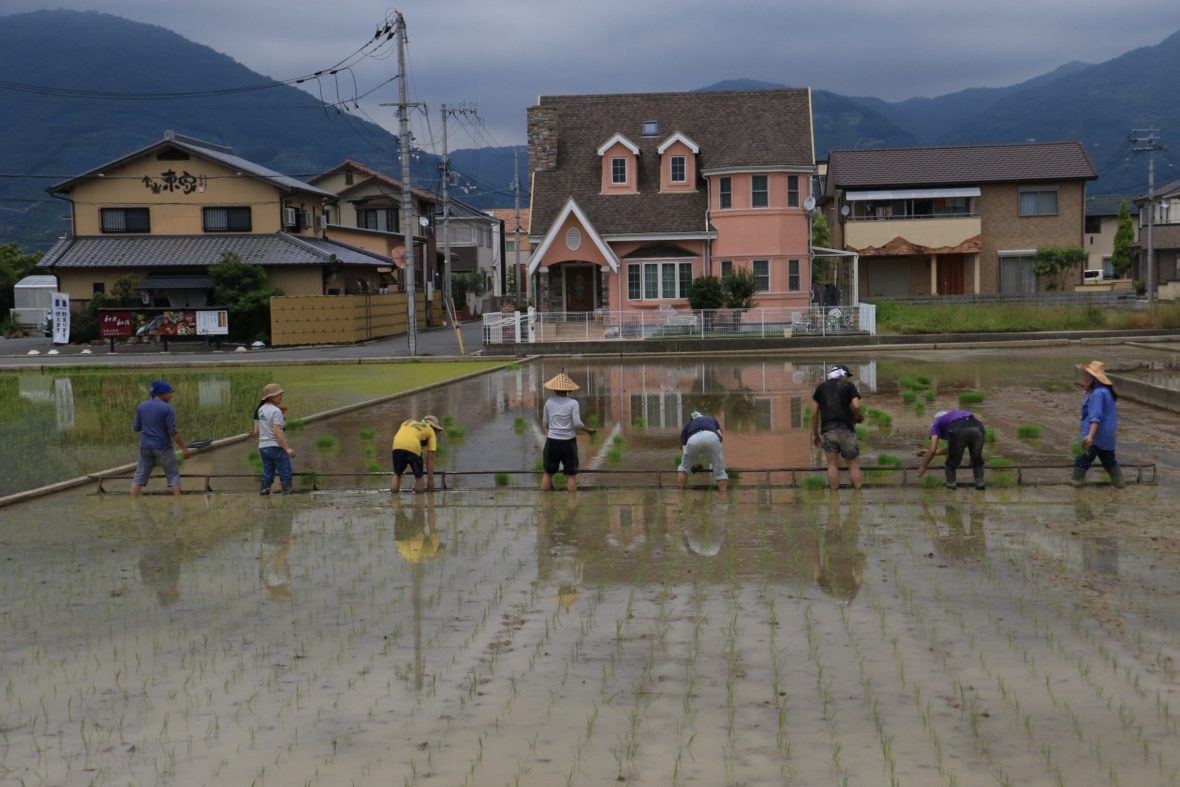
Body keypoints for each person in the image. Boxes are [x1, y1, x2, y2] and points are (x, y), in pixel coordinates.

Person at [131, 379, 190, 496]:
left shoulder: (141, 406)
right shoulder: (167, 408)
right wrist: (184, 448)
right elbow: (173, 432)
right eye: (170, 393)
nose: (171, 396)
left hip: (145, 447)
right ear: (162, 393)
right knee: (173, 474)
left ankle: (133, 501)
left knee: (139, 475)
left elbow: (136, 427)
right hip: (162, 447)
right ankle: (178, 502)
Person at [541, 370, 596, 492]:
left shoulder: (549, 402)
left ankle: (544, 506)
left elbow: (545, 424)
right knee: (570, 475)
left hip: (552, 441)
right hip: (568, 442)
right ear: (569, 390)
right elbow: (577, 423)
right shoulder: (573, 403)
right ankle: (572, 506)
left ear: (554, 389)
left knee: (548, 473)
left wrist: (555, 429)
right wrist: (588, 430)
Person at [811, 364, 863, 490]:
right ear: (842, 374)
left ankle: (834, 497)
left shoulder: (821, 388)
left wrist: (815, 434)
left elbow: (814, 414)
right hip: (846, 430)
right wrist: (856, 416)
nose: (847, 378)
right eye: (847, 375)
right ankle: (858, 495)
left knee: (832, 465)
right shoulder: (849, 386)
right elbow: (856, 406)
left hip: (828, 431)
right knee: (853, 465)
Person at [1073, 360, 1124, 488]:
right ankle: (1120, 485)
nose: (1085, 378)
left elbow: (1096, 418)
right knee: (1110, 462)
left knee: (1081, 462)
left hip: (1094, 437)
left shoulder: (1097, 394)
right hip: (1106, 437)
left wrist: (1090, 436)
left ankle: (1076, 487)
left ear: (1094, 379)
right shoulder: (1106, 392)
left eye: (1087, 376)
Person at [916, 409, 987, 490]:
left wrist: (923, 466)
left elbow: (932, 449)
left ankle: (951, 487)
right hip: (978, 427)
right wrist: (933, 452)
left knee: (950, 464)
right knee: (977, 461)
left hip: (958, 428)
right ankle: (980, 484)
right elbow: (956, 447)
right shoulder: (955, 416)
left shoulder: (936, 423)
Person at [252, 383, 296, 495]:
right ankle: (287, 488)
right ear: (270, 397)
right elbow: (277, 432)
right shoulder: (276, 411)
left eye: (281, 395)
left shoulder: (260, 410)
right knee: (284, 467)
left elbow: (255, 432)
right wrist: (287, 449)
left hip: (263, 447)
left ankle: (264, 488)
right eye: (278, 395)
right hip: (275, 446)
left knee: (268, 469)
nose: (281, 397)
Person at [677, 410, 728, 492]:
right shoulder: (711, 419)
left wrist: (689, 464)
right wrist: (718, 455)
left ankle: (680, 495)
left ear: (692, 420)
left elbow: (685, 448)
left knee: (683, 468)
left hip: (693, 438)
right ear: (702, 416)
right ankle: (723, 497)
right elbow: (720, 435)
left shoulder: (688, 425)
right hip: (712, 436)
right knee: (720, 472)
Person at [391, 414, 442, 493]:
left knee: (397, 473)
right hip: (413, 446)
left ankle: (394, 499)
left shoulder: (408, 421)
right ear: (434, 427)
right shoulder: (431, 431)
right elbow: (430, 459)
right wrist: (430, 481)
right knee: (419, 476)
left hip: (396, 445)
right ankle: (419, 500)